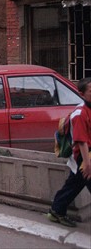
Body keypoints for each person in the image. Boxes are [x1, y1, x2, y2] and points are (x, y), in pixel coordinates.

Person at [47, 77, 91, 227]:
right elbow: (81, 141)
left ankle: (56, 211)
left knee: (74, 184)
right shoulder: (80, 114)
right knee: (77, 182)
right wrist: (87, 163)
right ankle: (56, 211)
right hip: (84, 156)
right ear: (82, 94)